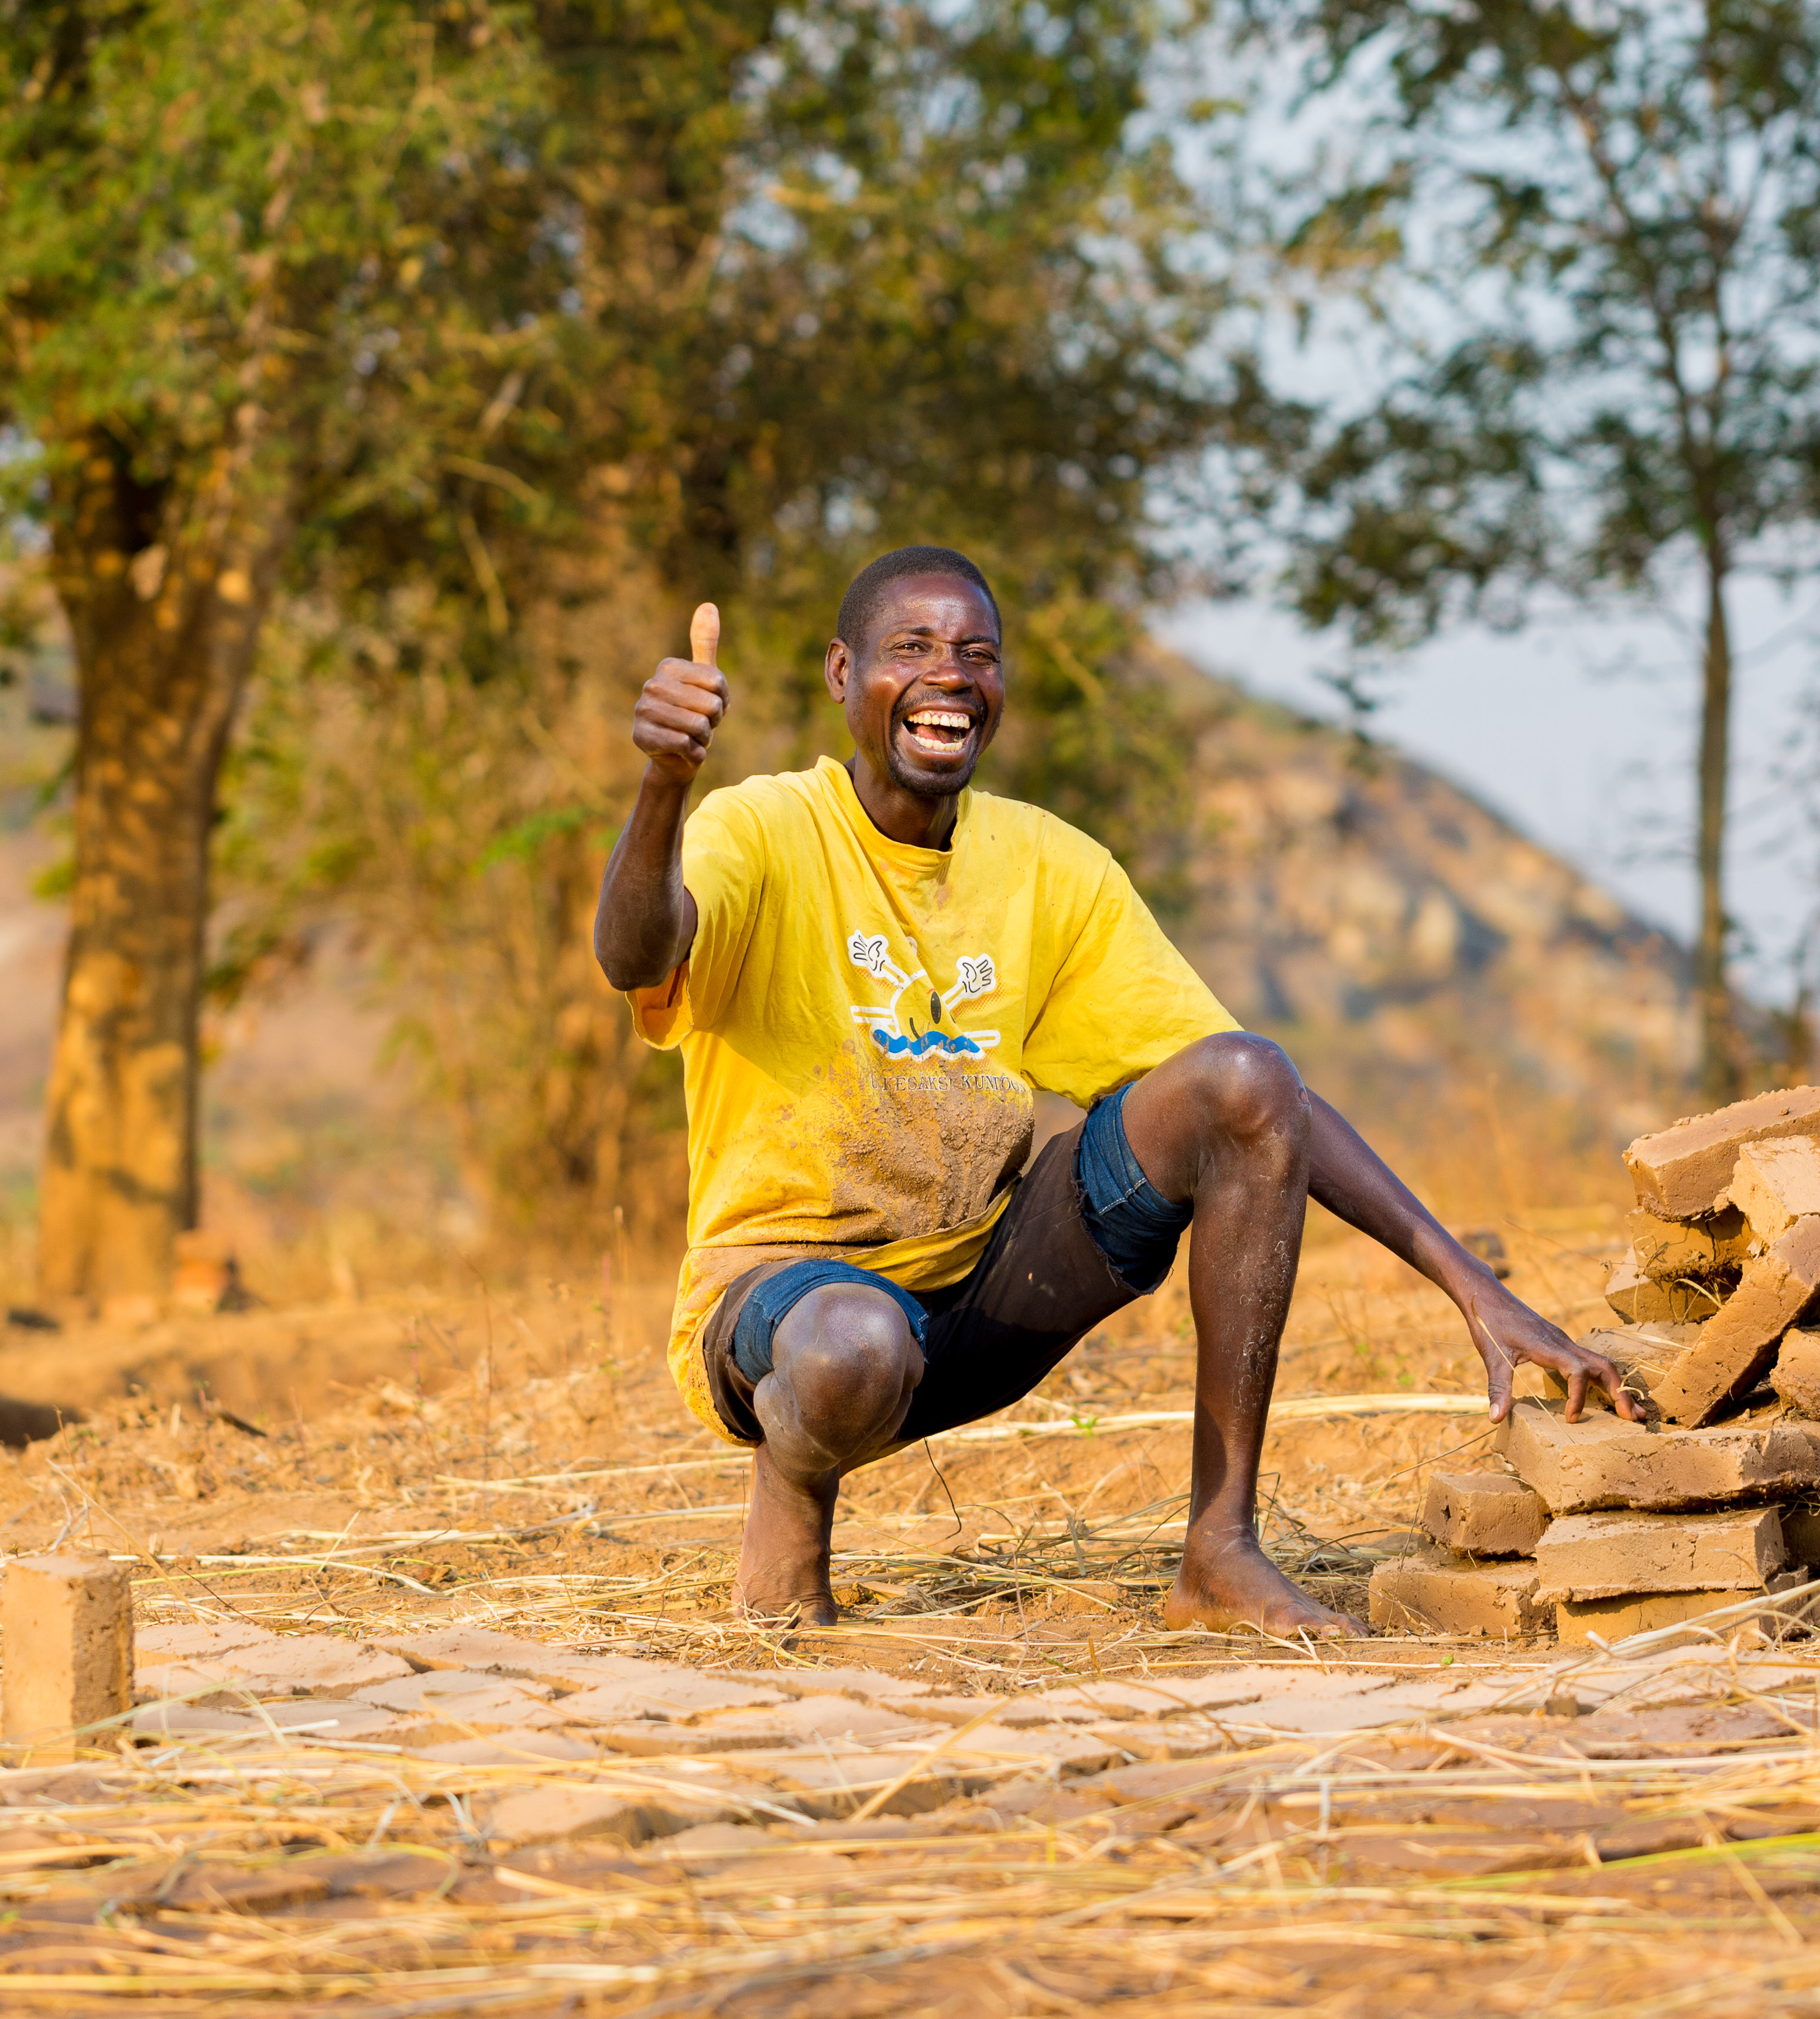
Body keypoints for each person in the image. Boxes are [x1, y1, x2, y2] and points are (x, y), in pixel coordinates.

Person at [594, 546, 1637, 1635]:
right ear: (841, 673)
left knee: (1245, 1074)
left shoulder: (1050, 866)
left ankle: (1218, 1553)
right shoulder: (759, 828)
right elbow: (636, 953)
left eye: (977, 654)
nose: (949, 673)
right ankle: (791, 1509)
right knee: (852, 1342)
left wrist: (1473, 1288)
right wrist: (666, 785)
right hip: (793, 1319)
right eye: (912, 648)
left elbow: (1263, 1108)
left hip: (979, 1297)